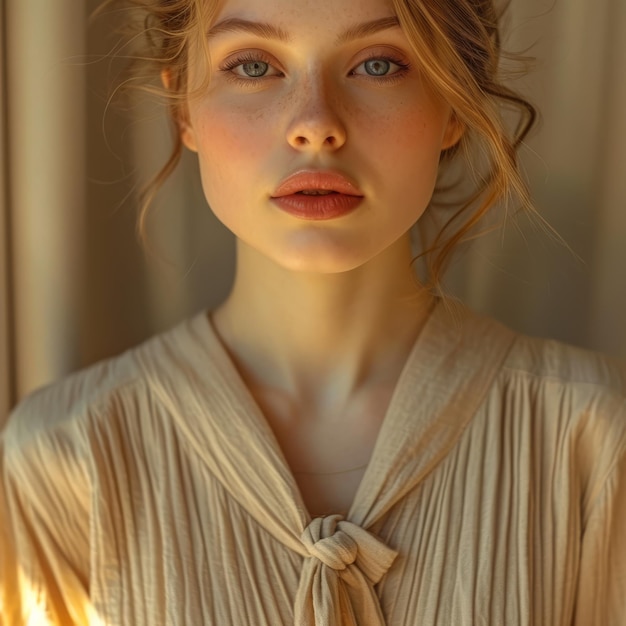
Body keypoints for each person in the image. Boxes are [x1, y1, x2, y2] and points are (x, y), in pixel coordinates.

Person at [1, 0, 625, 623]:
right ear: (181, 110)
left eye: (378, 64)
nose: (315, 124)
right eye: (252, 66)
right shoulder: (64, 459)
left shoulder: (593, 442)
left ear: (454, 105)